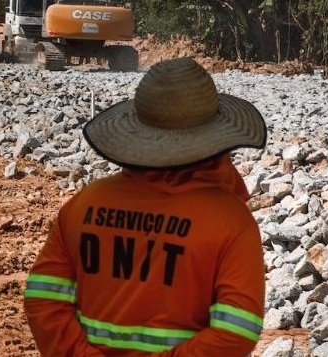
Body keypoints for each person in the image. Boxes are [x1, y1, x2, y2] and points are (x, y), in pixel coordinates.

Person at [24, 57, 268, 356]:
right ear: (218, 141)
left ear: (136, 135)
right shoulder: (232, 223)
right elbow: (236, 332)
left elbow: (41, 297)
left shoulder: (84, 205)